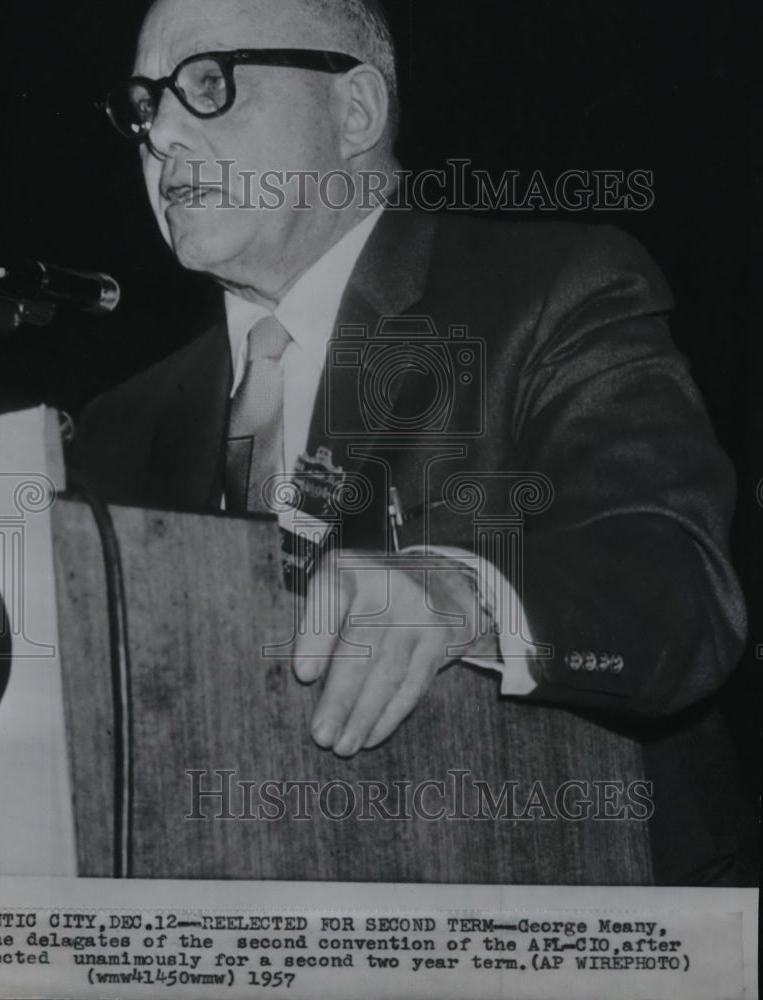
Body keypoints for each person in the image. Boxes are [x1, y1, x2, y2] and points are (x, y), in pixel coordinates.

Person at [70, 0, 753, 883]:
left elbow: (680, 586)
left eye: (206, 84)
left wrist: (462, 592)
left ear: (354, 110)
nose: (159, 134)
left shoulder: (553, 293)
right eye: (142, 103)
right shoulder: (120, 424)